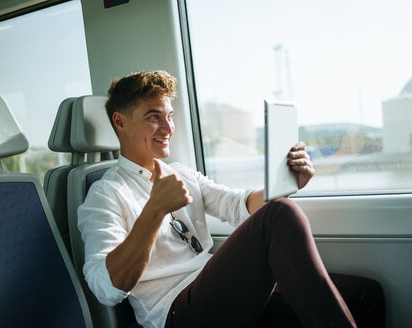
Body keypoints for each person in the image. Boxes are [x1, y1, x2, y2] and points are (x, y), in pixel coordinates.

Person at [78, 70, 385, 328]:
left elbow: (239, 206)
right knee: (280, 213)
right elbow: (106, 288)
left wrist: (289, 182)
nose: (168, 128)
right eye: (153, 117)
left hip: (217, 290)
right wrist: (154, 211)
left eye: (170, 116)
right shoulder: (105, 194)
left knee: (363, 295)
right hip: (176, 312)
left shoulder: (181, 173)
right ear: (120, 122)